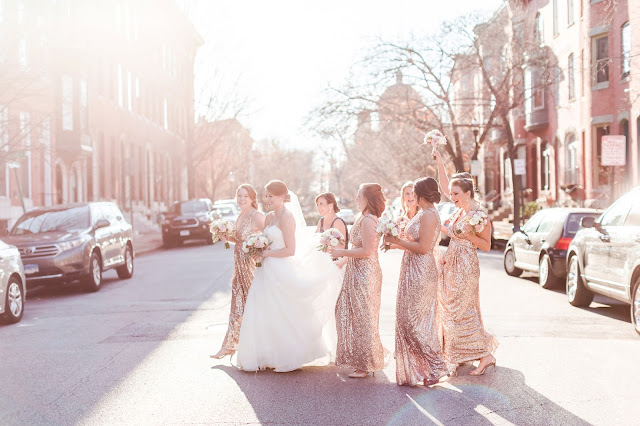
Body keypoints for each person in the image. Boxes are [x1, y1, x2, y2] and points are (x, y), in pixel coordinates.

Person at [234, 180, 342, 372]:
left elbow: (290, 250)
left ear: (282, 197)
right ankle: (265, 354)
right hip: (264, 270)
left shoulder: (287, 217)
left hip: (281, 268)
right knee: (262, 311)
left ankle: (287, 355)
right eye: (266, 196)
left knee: (283, 311)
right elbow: (265, 241)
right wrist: (257, 247)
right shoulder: (268, 217)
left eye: (271, 196)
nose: (267, 199)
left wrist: (266, 253)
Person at [433, 149, 498, 376]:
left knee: (461, 311)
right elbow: (443, 187)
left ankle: (483, 355)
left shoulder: (477, 214)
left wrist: (468, 235)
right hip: (451, 262)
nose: (452, 196)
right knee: (450, 309)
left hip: (467, 265)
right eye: (451, 193)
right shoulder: (458, 211)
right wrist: (440, 161)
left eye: (456, 193)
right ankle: (459, 354)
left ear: (468, 193)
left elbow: (487, 246)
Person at [383, 177, 453, 386]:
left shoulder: (430, 215)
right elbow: (413, 243)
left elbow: (423, 248)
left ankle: (437, 365)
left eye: (414, 191)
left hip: (422, 271)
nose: (412, 195)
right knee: (406, 319)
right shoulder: (422, 213)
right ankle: (419, 369)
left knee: (414, 322)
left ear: (422, 193)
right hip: (411, 268)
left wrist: (397, 240)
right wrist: (394, 245)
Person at [330, 183, 388, 378]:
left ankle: (365, 363)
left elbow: (367, 251)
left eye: (359, 196)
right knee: (348, 311)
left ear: (368, 199)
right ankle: (365, 358)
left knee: (364, 316)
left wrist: (341, 252)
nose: (356, 200)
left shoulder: (368, 220)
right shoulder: (363, 218)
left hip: (366, 272)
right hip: (356, 270)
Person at [211, 184, 264, 360]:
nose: (241, 199)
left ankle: (258, 346)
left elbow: (267, 238)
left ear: (252, 198)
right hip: (238, 266)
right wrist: (227, 237)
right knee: (236, 305)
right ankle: (229, 345)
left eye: (245, 196)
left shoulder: (257, 216)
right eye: (239, 196)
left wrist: (259, 252)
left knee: (251, 306)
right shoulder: (241, 215)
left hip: (251, 267)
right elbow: (240, 240)